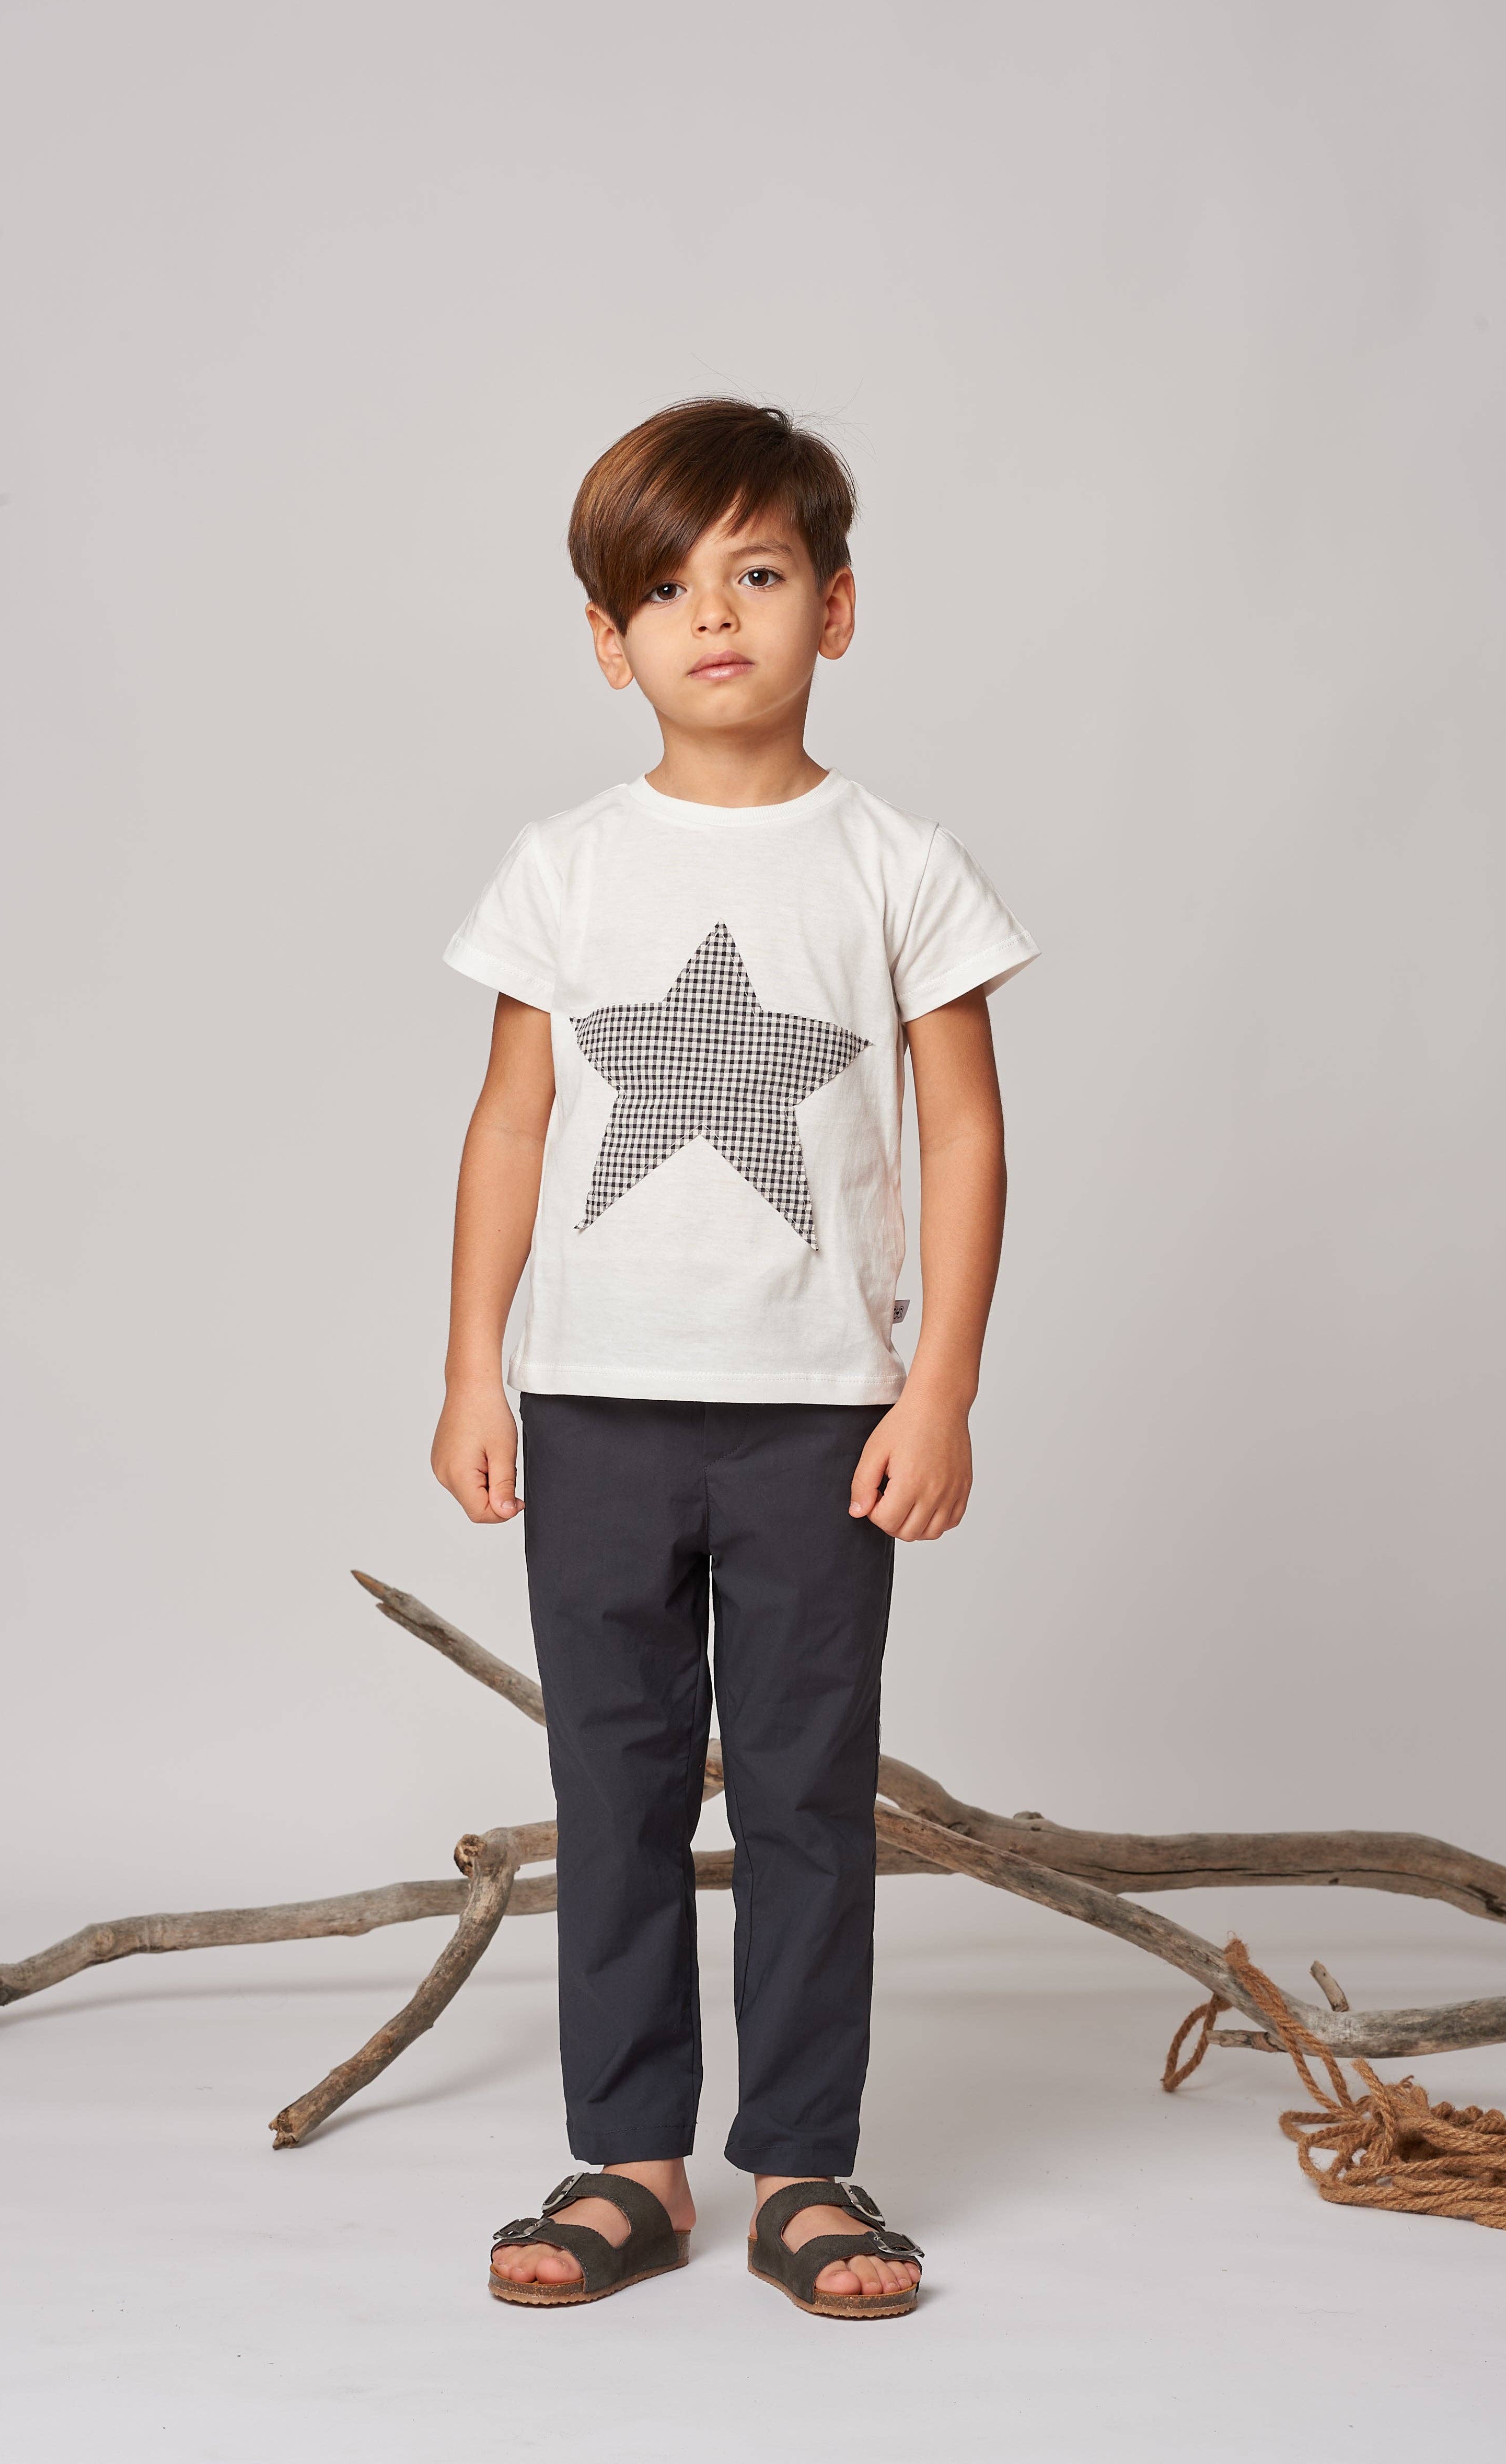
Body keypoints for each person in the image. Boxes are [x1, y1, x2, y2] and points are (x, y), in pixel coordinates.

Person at [432, 398, 1037, 2318]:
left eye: (757, 574)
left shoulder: (899, 864)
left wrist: (940, 1385)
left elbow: (966, 1134)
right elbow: (512, 1119)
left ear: (834, 609)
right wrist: (471, 1369)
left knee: (802, 1794)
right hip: (594, 1407)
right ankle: (628, 2161)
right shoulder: (566, 866)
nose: (714, 615)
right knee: (612, 1787)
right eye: (666, 588)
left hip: (822, 1422)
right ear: (607, 639)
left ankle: (804, 2166)